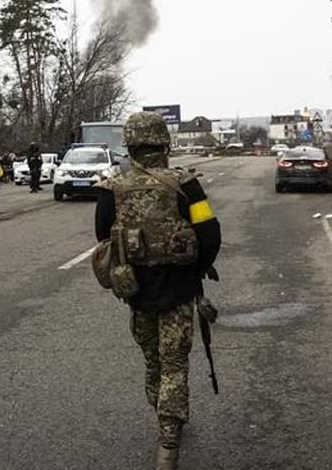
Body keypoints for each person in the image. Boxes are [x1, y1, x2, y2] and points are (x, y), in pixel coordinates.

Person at [95, 112, 221, 470]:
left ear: (130, 146)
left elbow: (104, 239)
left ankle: (164, 417)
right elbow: (210, 234)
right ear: (165, 144)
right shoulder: (186, 185)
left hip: (137, 293)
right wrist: (195, 268)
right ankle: (169, 441)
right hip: (179, 291)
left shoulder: (111, 188)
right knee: (175, 364)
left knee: (154, 362)